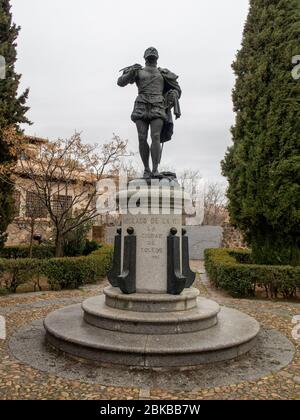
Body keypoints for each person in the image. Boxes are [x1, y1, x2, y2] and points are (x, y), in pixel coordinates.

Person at [117, 47, 181, 178]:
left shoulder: (163, 73)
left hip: (158, 104)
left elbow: (177, 89)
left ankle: (155, 169)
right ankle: (146, 169)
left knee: (156, 136)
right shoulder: (137, 71)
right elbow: (120, 82)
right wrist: (131, 73)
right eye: (149, 54)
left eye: (153, 54)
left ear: (157, 58)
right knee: (142, 137)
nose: (151, 55)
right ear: (145, 57)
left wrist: (174, 94)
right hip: (141, 104)